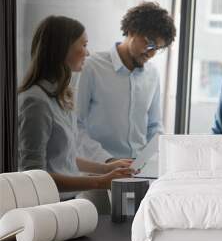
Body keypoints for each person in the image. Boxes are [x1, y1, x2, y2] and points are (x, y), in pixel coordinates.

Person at [18, 16, 136, 202]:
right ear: (63, 49)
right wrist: (100, 182)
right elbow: (34, 177)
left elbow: (65, 157)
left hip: (70, 201)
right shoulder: (35, 101)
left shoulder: (62, 96)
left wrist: (106, 168)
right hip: (48, 207)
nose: (87, 53)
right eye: (83, 45)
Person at [77, 2, 176, 162]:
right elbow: (75, 125)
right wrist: (108, 161)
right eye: (149, 43)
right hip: (97, 173)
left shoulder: (152, 74)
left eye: (156, 48)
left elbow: (155, 127)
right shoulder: (91, 67)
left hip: (137, 174)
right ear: (131, 30)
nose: (151, 54)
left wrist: (143, 163)